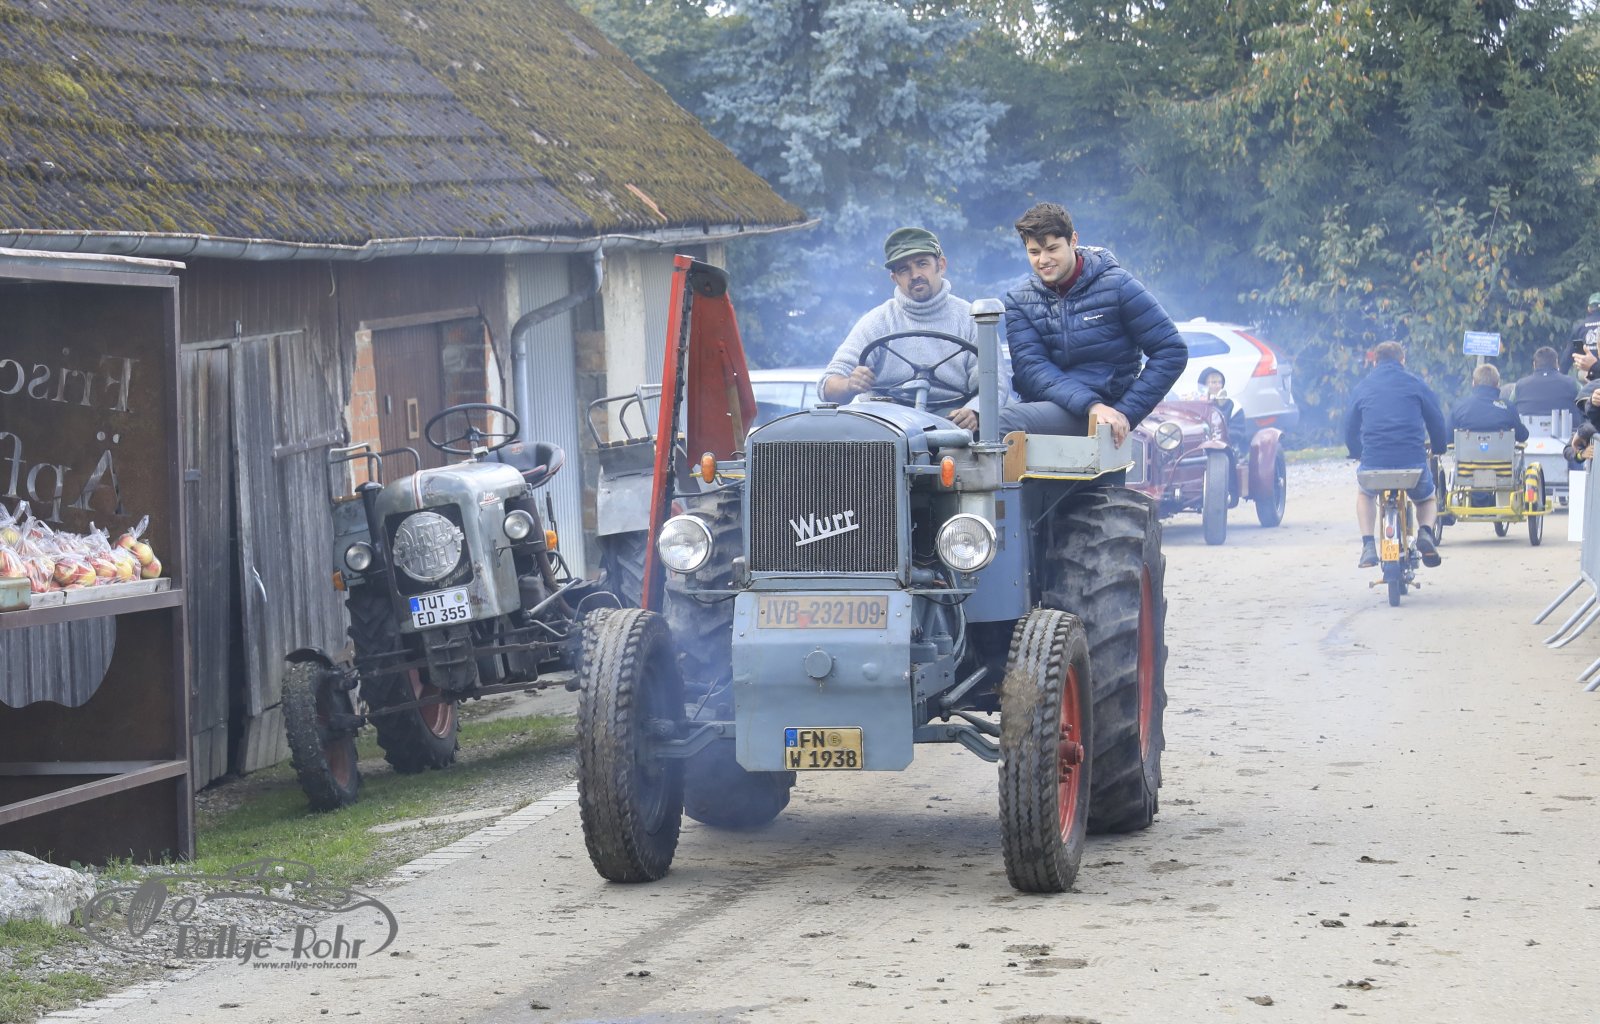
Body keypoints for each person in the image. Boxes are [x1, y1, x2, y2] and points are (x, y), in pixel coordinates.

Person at [998, 202, 1187, 443]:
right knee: (985, 425)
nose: (1043, 260)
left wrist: (1126, 413)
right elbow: (1031, 367)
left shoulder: (1117, 286)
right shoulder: (1019, 300)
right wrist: (1090, 405)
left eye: (1052, 249)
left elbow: (1171, 350)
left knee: (1002, 423)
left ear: (1073, 240)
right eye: (1034, 252)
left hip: (1106, 407)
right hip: (1052, 405)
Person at [819, 227, 983, 431]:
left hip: (952, 425)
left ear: (941, 265)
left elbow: (994, 384)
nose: (915, 275)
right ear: (894, 278)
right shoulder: (877, 321)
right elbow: (828, 386)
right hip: (885, 426)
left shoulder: (971, 318)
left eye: (922, 263)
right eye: (904, 269)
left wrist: (974, 411)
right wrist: (849, 384)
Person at [1344, 341, 1449, 569]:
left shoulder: (1362, 387)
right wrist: (1439, 447)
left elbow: (1349, 427)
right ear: (1402, 360)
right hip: (1412, 464)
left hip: (1374, 462)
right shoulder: (1416, 384)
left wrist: (1357, 452)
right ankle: (1425, 532)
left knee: (1365, 494)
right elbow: (1436, 421)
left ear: (1374, 361)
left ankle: (1368, 545)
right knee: (1427, 498)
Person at [1452, 364, 1529, 441]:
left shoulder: (1460, 406)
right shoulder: (1508, 407)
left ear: (1473, 383)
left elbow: (1449, 437)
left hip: (1468, 449)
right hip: (1500, 449)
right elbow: (1522, 436)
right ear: (1498, 384)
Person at [1513, 346, 1579, 417]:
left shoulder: (1519, 385)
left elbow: (1510, 407)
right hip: (1568, 424)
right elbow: (1584, 401)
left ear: (1534, 365)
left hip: (1527, 424)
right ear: (1557, 363)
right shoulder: (1572, 383)